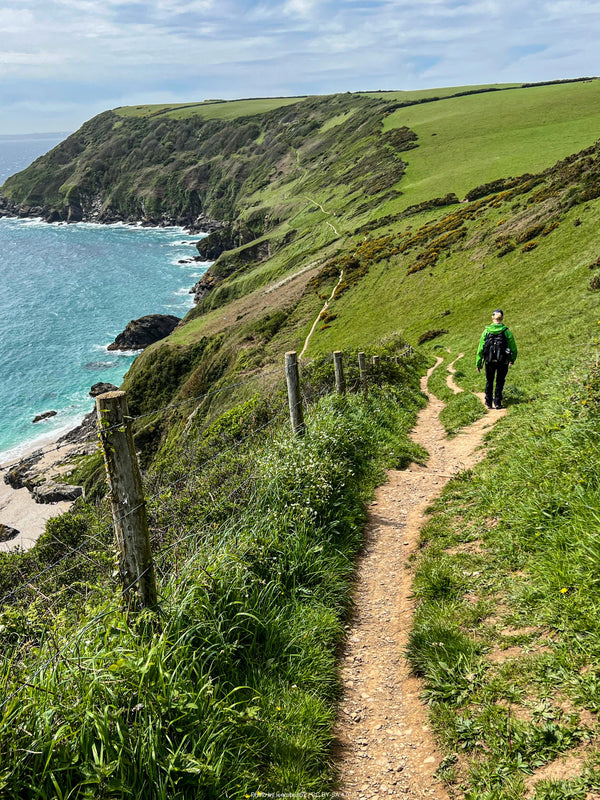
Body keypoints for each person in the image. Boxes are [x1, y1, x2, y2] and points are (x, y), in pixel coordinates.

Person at [476, 309, 517, 409]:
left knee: (489, 380)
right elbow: (513, 347)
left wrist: (479, 363)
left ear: (492, 318)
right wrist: (512, 359)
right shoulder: (506, 331)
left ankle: (488, 402)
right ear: (502, 318)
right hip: (503, 361)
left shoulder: (486, 331)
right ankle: (497, 402)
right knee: (500, 380)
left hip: (488, 361)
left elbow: (481, 348)